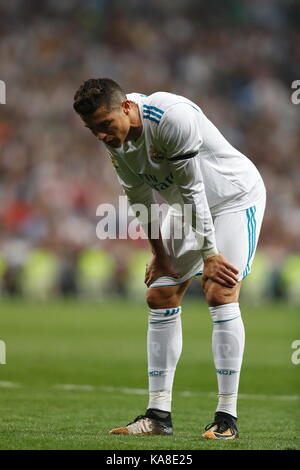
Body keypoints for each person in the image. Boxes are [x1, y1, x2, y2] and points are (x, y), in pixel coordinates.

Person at [73, 78, 266, 440]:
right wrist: (159, 255)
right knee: (159, 294)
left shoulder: (170, 117)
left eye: (104, 125)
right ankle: (158, 416)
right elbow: (141, 200)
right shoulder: (117, 142)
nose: (100, 135)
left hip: (233, 200)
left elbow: (194, 189)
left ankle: (227, 418)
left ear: (126, 108)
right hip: (187, 208)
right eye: (92, 130)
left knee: (219, 291)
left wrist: (210, 255)